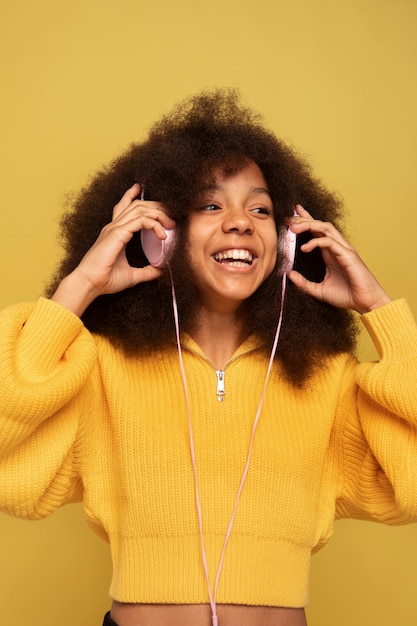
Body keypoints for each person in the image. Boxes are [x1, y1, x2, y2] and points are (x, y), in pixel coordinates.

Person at [0, 89, 416, 626]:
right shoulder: (99, 369)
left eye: (261, 209)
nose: (241, 221)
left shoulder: (328, 382)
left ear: (287, 243)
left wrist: (378, 308)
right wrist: (81, 285)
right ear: (159, 235)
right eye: (210, 205)